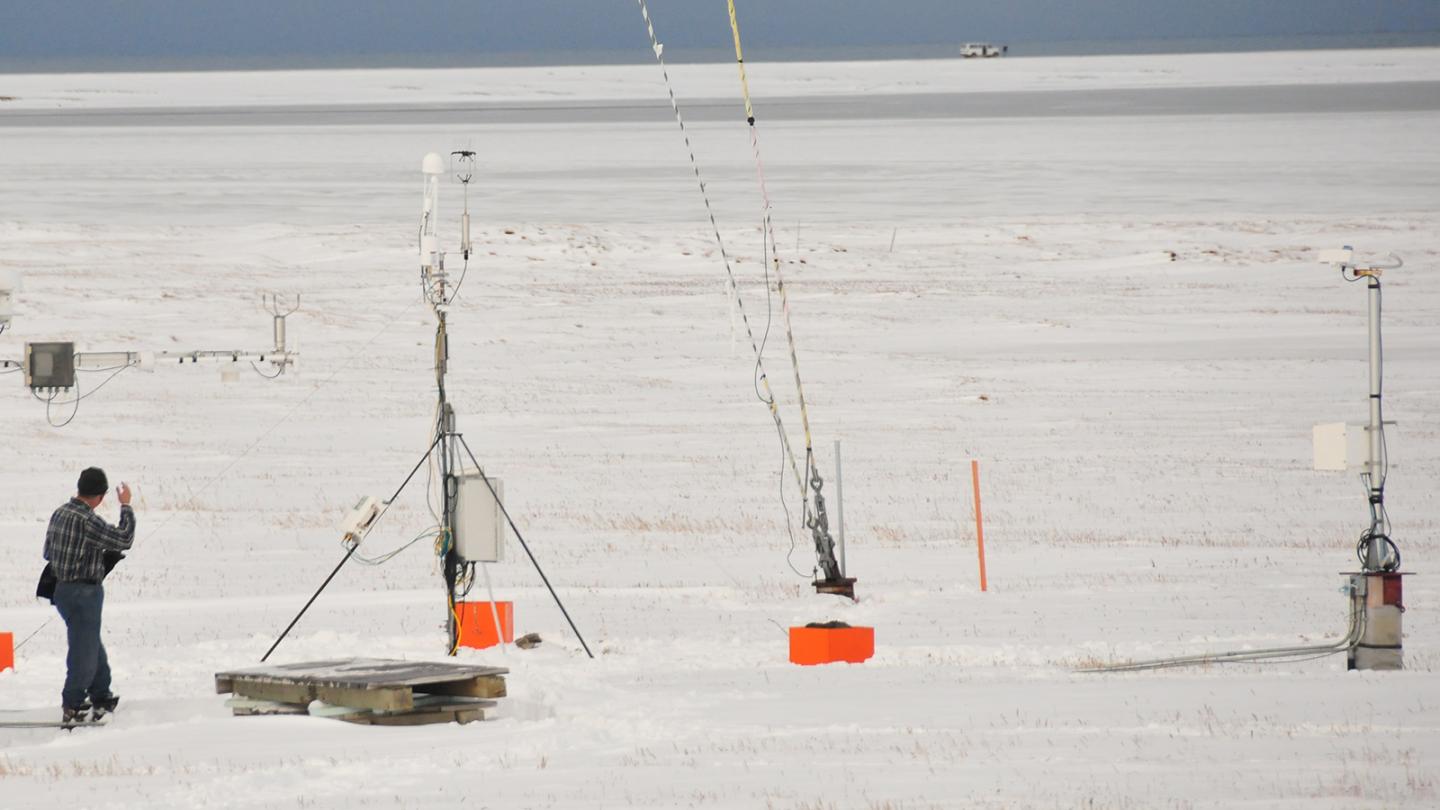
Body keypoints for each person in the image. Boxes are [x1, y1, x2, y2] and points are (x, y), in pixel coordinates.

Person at [43, 467, 135, 724]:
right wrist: (126, 506)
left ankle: (101, 694)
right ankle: (73, 704)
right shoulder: (88, 520)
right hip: (84, 592)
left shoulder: (59, 513)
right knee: (83, 649)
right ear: (101, 496)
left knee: (89, 641)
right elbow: (124, 538)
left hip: (62, 591)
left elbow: (48, 551)